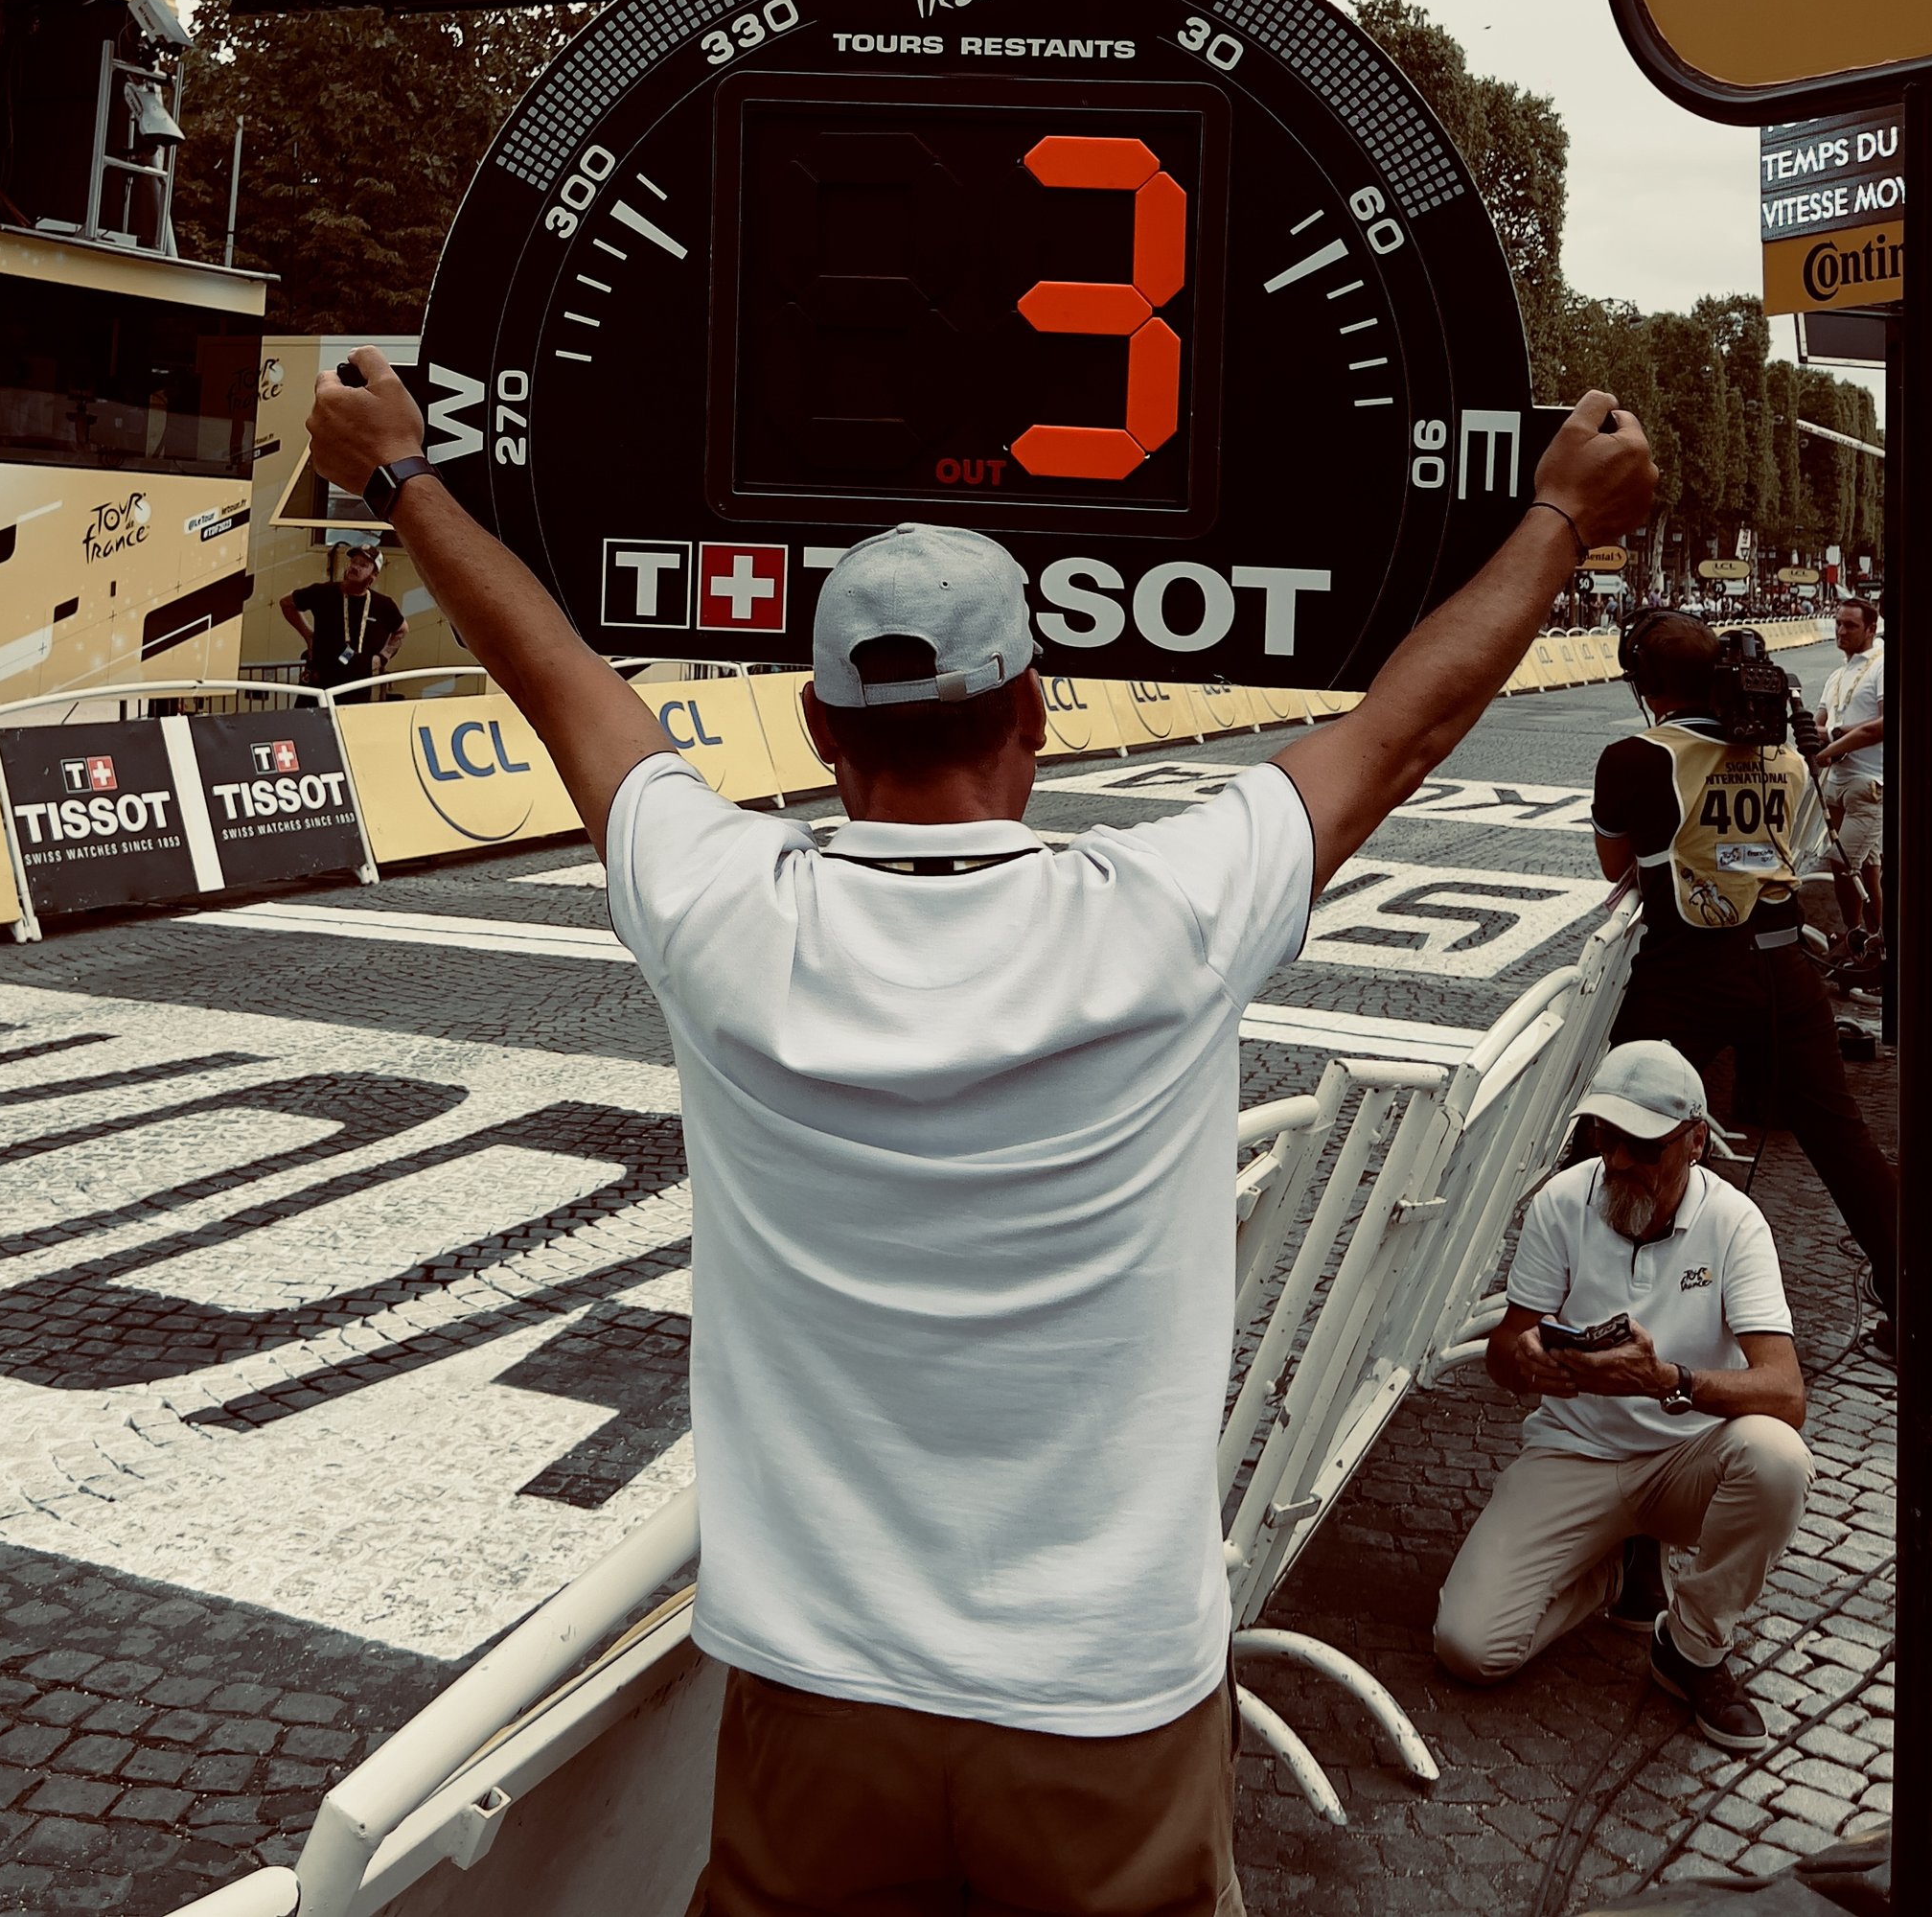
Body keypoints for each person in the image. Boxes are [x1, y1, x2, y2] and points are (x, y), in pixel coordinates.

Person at [309, 350, 1656, 1917]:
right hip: (1105, 1690)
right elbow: (1405, 726)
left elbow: (559, 677)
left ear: (818, 727)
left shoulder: (729, 911)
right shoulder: (1166, 911)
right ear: (1033, 704)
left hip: (814, 1683)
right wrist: (1562, 517)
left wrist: (403, 477)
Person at [1433, 1040, 1809, 1751]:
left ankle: (1691, 1647)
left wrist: (1670, 1381)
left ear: (1696, 1141)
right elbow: (1505, 1351)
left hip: (1688, 1458)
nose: (1618, 1161)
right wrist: (1525, 1361)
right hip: (1575, 1449)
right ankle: (1610, 1566)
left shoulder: (1735, 1222)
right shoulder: (1561, 1202)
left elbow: (1785, 1393)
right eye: (1603, 1137)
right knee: (1469, 1648)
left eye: (1643, 1146)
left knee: (1777, 1457)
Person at [1594, 612, 1898, 1324]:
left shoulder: (1636, 757)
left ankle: (1594, 1287)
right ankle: (1914, 1296)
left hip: (1684, 971)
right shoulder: (1785, 758)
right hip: (1783, 963)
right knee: (1841, 1136)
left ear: (1648, 685)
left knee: (1619, 1125)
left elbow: (1617, 863)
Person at [1814, 595, 1886, 971]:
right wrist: (1820, 737)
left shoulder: (1883, 664)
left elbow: (1883, 725)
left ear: (1871, 629)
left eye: (1851, 625)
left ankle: (1853, 937)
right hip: (1837, 784)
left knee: (1842, 863)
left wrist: (1832, 743)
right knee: (1867, 871)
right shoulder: (1836, 675)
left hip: (1868, 784)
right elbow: (1818, 723)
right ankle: (1878, 943)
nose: (1841, 631)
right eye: (1838, 623)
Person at [280, 539, 404, 699]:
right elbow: (286, 603)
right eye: (353, 562)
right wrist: (308, 635)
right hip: (319, 684)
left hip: (356, 687)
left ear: (374, 575)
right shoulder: (323, 592)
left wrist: (383, 657)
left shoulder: (383, 604)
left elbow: (402, 630)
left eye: (363, 565)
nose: (355, 567)